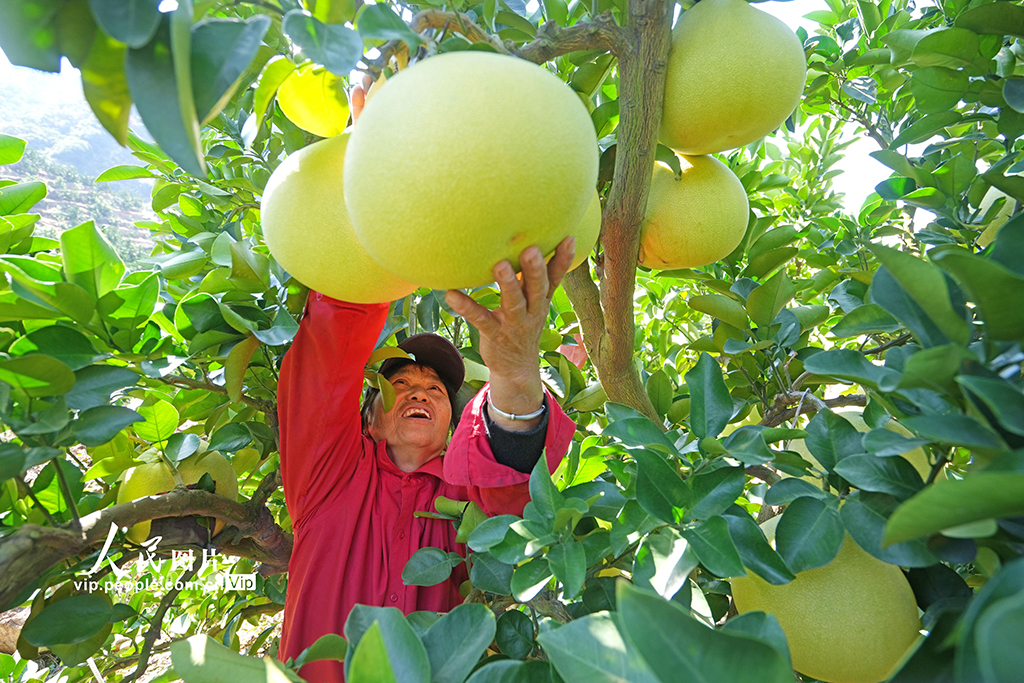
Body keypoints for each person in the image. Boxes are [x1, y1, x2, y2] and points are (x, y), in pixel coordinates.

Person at [276, 238, 578, 682]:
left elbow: (507, 476)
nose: (419, 392)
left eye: (436, 390)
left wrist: (515, 376)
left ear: (450, 428)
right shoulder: (328, 477)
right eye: (398, 384)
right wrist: (378, 248)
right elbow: (326, 366)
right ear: (369, 420)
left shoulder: (467, 498)